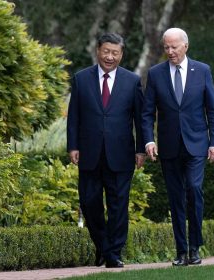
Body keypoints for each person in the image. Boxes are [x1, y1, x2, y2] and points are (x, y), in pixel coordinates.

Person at [142, 27, 214, 266]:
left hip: (197, 144)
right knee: (175, 198)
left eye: (174, 47)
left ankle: (195, 248)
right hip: (168, 147)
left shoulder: (202, 70)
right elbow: (147, 113)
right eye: (166, 47)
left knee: (194, 190)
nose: (170, 51)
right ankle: (180, 251)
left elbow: (213, 111)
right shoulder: (156, 74)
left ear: (185, 46)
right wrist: (148, 139)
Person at [67, 33, 145, 268]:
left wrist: (141, 149)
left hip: (121, 154)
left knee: (118, 204)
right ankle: (103, 245)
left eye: (115, 53)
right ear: (98, 51)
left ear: (121, 54)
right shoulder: (81, 79)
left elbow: (140, 119)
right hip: (89, 153)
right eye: (106, 51)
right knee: (89, 202)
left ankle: (113, 254)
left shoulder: (132, 81)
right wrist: (73, 145)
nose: (110, 57)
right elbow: (74, 117)